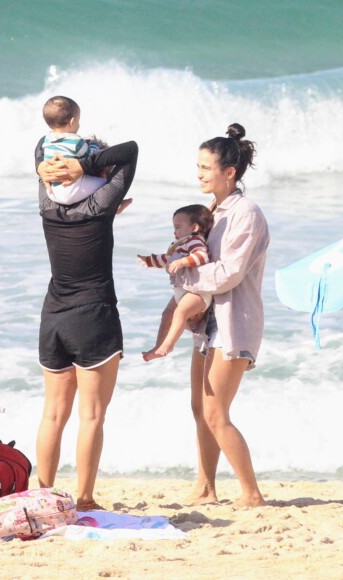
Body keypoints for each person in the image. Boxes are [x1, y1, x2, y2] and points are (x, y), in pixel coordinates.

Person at [34, 119, 138, 511]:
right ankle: (85, 498)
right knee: (91, 416)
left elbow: (41, 151)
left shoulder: (46, 197)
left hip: (53, 317)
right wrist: (91, 166)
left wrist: (46, 166)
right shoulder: (101, 201)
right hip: (93, 316)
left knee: (53, 414)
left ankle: (43, 492)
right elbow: (130, 151)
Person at [172, 122, 270, 508]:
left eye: (206, 167)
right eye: (197, 167)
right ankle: (206, 487)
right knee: (199, 407)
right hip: (208, 325)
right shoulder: (212, 211)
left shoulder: (246, 213)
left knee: (215, 412)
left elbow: (229, 273)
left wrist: (186, 271)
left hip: (235, 322)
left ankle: (251, 493)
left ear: (230, 172)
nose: (199, 174)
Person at [137, 204, 213, 362]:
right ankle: (158, 346)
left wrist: (183, 262)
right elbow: (167, 259)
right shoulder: (179, 244)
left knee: (180, 312)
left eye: (178, 227)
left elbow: (202, 256)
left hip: (197, 292)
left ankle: (169, 344)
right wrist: (149, 260)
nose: (174, 231)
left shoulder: (194, 240)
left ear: (194, 227)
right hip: (182, 291)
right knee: (167, 314)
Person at [41, 95, 107, 204]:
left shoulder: (47, 140)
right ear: (72, 122)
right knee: (104, 182)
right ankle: (116, 205)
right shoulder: (75, 141)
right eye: (78, 120)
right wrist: (95, 144)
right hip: (70, 191)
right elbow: (90, 157)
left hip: (53, 192)